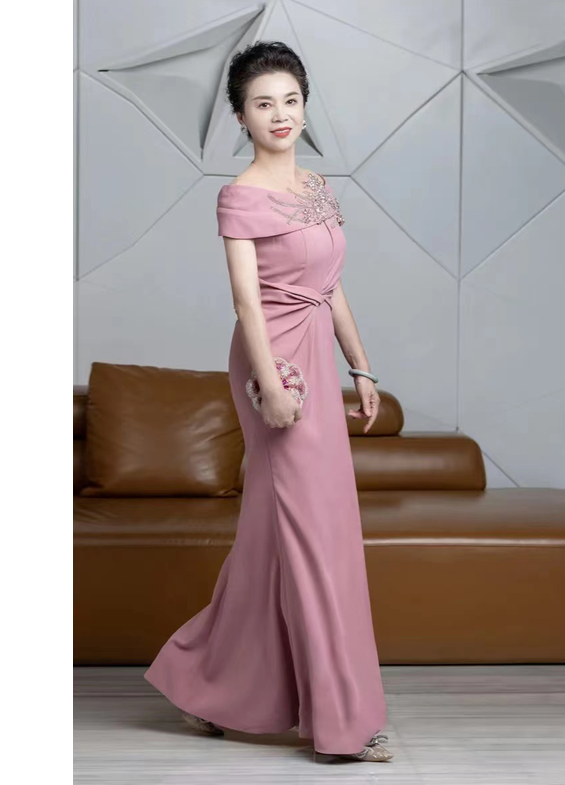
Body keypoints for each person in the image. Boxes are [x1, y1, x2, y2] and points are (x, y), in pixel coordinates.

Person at [144, 41, 394, 764]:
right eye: (263, 103)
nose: (280, 114)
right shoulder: (240, 195)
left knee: (277, 537)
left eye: (290, 100)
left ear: (304, 106)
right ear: (241, 116)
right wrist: (273, 387)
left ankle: (203, 681)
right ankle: (345, 723)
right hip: (275, 365)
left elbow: (331, 285)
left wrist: (361, 366)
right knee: (313, 536)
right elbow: (246, 303)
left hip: (318, 351)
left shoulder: (317, 186)